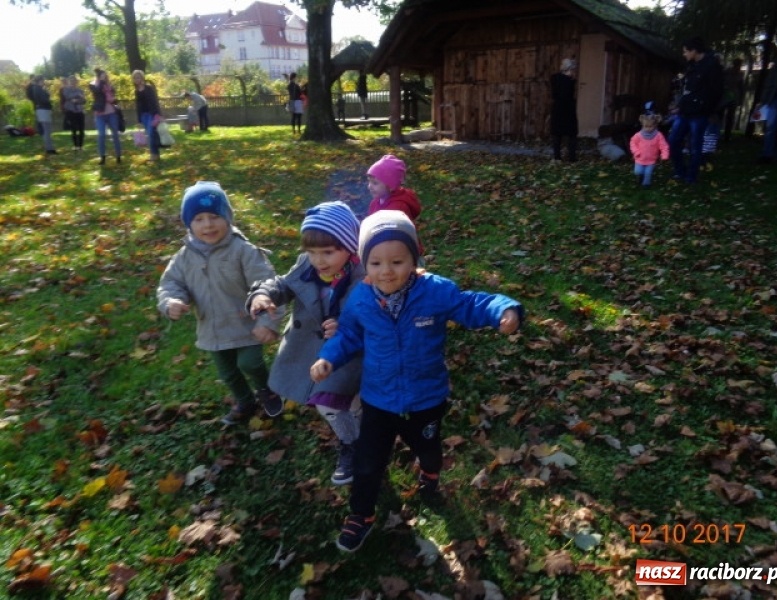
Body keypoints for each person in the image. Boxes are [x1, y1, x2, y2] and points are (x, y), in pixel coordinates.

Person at [310, 210, 523, 553]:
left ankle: (430, 473)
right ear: (365, 265)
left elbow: (470, 303)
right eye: (376, 263)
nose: (386, 271)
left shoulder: (434, 291)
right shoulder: (362, 299)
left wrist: (503, 309)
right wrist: (328, 358)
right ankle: (360, 514)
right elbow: (349, 334)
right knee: (368, 461)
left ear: (414, 259)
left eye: (397, 261)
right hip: (379, 399)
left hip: (427, 396)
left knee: (428, 448)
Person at [246, 201, 364, 485]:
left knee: (348, 399)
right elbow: (282, 284)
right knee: (329, 404)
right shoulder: (305, 266)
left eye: (327, 252)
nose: (318, 260)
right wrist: (264, 294)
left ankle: (359, 437)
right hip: (310, 350)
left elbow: (374, 310)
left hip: (350, 352)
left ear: (349, 246)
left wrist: (346, 325)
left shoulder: (363, 275)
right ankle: (352, 440)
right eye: (311, 252)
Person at [156, 181, 285, 425]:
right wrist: (171, 301)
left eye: (214, 216)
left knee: (249, 362)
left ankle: (267, 390)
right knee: (228, 372)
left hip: (247, 324)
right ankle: (245, 401)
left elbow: (268, 285)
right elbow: (171, 284)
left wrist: (268, 321)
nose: (207, 225)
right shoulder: (184, 257)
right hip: (212, 327)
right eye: (199, 219)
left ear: (227, 217)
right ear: (189, 224)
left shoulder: (242, 250)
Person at [667, 37, 724, 183]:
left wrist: (709, 110)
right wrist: (679, 106)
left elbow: (717, 92)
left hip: (700, 114)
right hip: (684, 112)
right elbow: (688, 89)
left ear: (694, 51)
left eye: (686, 51)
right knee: (673, 140)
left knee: (695, 145)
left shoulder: (712, 66)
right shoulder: (691, 65)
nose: (684, 54)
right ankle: (680, 171)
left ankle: (691, 176)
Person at [89, 69, 122, 165]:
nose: (105, 77)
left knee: (115, 134)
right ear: (98, 76)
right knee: (101, 135)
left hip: (111, 113)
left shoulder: (109, 85)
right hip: (100, 114)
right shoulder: (93, 84)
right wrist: (101, 82)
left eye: (105, 76)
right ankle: (102, 157)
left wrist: (114, 100)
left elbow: (112, 97)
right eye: (102, 76)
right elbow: (98, 92)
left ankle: (118, 156)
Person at [629, 112, 670, 187]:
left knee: (648, 173)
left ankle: (646, 185)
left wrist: (664, 155)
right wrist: (636, 152)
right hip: (639, 158)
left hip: (651, 160)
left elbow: (664, 146)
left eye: (650, 126)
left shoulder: (658, 135)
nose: (648, 129)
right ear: (643, 125)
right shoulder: (638, 135)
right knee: (638, 172)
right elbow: (632, 143)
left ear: (655, 125)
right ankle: (640, 177)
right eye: (646, 126)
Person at [550, 58, 579, 162]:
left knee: (557, 134)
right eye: (573, 70)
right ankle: (572, 157)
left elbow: (555, 94)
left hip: (557, 108)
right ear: (570, 69)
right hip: (567, 109)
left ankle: (557, 156)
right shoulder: (569, 82)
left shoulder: (555, 79)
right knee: (572, 134)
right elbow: (567, 96)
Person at [132, 70, 162, 162]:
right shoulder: (136, 91)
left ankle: (153, 155)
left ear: (142, 78)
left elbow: (155, 101)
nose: (137, 79)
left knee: (151, 133)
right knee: (150, 134)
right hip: (143, 115)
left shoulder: (148, 88)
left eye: (138, 77)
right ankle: (156, 154)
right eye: (135, 78)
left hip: (151, 114)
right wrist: (139, 120)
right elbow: (138, 106)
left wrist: (158, 114)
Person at [30, 75, 57, 156]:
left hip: (44, 110)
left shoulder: (39, 89)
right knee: (46, 130)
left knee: (48, 130)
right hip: (42, 110)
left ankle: (50, 148)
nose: (44, 82)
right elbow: (43, 100)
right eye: (43, 80)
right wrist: (47, 95)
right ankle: (49, 149)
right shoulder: (37, 89)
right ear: (39, 81)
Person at [721, 58, 745, 142]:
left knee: (730, 118)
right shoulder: (726, 72)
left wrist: (740, 100)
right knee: (721, 116)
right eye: (738, 65)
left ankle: (727, 136)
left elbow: (741, 88)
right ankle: (717, 134)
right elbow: (721, 83)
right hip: (724, 97)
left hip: (733, 98)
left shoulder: (740, 74)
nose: (738, 67)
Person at [62, 75, 86, 152]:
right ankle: (75, 146)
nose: (73, 83)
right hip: (71, 111)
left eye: (74, 81)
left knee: (81, 129)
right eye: (71, 81)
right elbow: (67, 96)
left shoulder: (80, 90)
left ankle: (81, 146)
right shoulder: (66, 90)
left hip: (79, 111)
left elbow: (84, 101)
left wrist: (77, 100)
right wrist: (77, 96)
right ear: (69, 82)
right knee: (74, 129)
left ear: (76, 82)